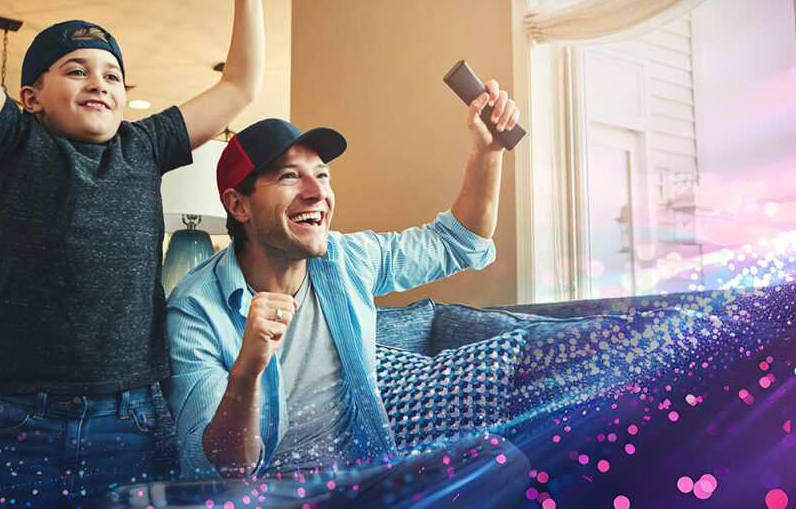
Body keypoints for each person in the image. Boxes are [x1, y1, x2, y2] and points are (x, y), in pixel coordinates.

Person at [0, 0, 263, 503]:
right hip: (20, 420)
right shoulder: (14, 140)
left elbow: (239, 85)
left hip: (130, 419)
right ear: (30, 97)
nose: (99, 82)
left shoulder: (145, 145)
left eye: (113, 75)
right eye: (76, 71)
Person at [164, 81, 529, 506]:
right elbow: (223, 470)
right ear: (238, 205)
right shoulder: (194, 307)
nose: (317, 192)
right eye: (288, 176)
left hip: (366, 483)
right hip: (267, 498)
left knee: (498, 459)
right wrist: (246, 373)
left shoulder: (346, 258)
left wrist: (487, 152)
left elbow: (457, 242)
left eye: (322, 175)